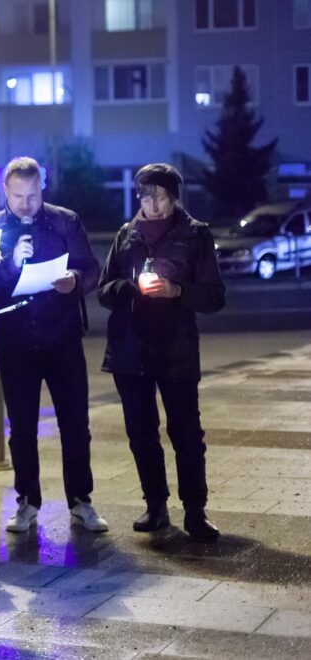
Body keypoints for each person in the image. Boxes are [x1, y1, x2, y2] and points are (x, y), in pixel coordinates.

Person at [0, 157, 109, 534]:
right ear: (5, 190)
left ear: (42, 188)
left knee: (75, 424)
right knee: (21, 428)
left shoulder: (66, 220)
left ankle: (81, 500)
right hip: (15, 342)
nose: (26, 203)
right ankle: (27, 502)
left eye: (33, 194)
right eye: (18, 195)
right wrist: (7, 265)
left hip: (62, 338)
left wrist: (74, 279)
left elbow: (91, 268)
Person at [97, 163, 225, 542]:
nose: (150, 204)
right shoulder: (127, 235)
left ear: (174, 197)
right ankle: (155, 505)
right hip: (130, 348)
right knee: (141, 431)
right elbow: (104, 289)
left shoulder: (195, 235)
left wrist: (177, 290)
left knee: (186, 431)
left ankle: (195, 511)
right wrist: (127, 288)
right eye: (144, 196)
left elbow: (215, 296)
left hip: (177, 349)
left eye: (158, 196)